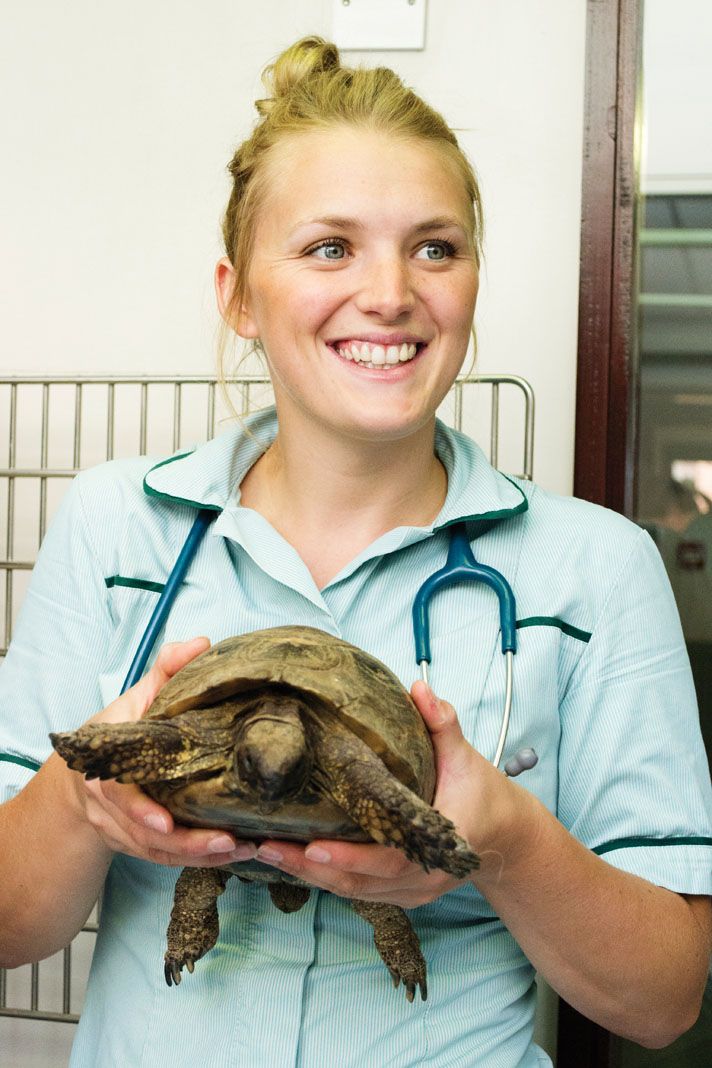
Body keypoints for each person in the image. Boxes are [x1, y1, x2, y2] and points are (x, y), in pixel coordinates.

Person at [0, 35, 711, 1068]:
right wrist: (86, 795)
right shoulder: (115, 526)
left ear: (472, 282)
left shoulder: (595, 568)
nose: (389, 293)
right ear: (238, 294)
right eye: (329, 247)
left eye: (435, 246)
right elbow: (12, 931)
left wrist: (504, 839)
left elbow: (662, 1002)